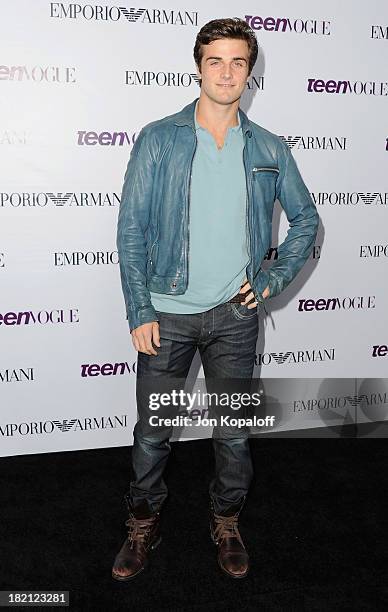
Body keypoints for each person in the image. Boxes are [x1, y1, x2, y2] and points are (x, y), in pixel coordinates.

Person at [112, 17, 319, 581]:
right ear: (199, 66)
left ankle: (226, 520)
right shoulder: (160, 138)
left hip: (236, 316)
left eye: (238, 62)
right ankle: (142, 520)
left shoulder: (270, 147)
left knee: (233, 432)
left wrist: (272, 281)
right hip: (167, 314)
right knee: (153, 432)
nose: (226, 73)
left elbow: (306, 221)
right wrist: (139, 308)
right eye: (215, 61)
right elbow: (131, 230)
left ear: (250, 72)